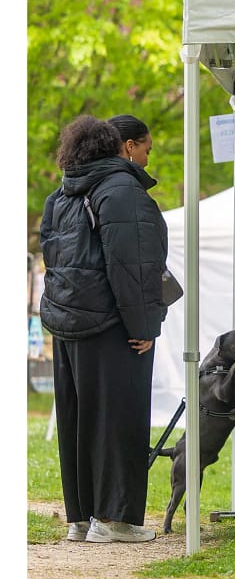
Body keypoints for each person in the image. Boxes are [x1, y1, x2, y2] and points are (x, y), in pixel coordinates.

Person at [40, 115, 168, 543]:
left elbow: (53, 260)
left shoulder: (60, 195)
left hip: (66, 326)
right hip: (113, 326)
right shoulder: (123, 191)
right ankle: (114, 520)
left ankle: (81, 518)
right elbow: (133, 268)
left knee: (78, 423)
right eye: (147, 148)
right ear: (127, 147)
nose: (148, 157)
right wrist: (146, 324)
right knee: (120, 420)